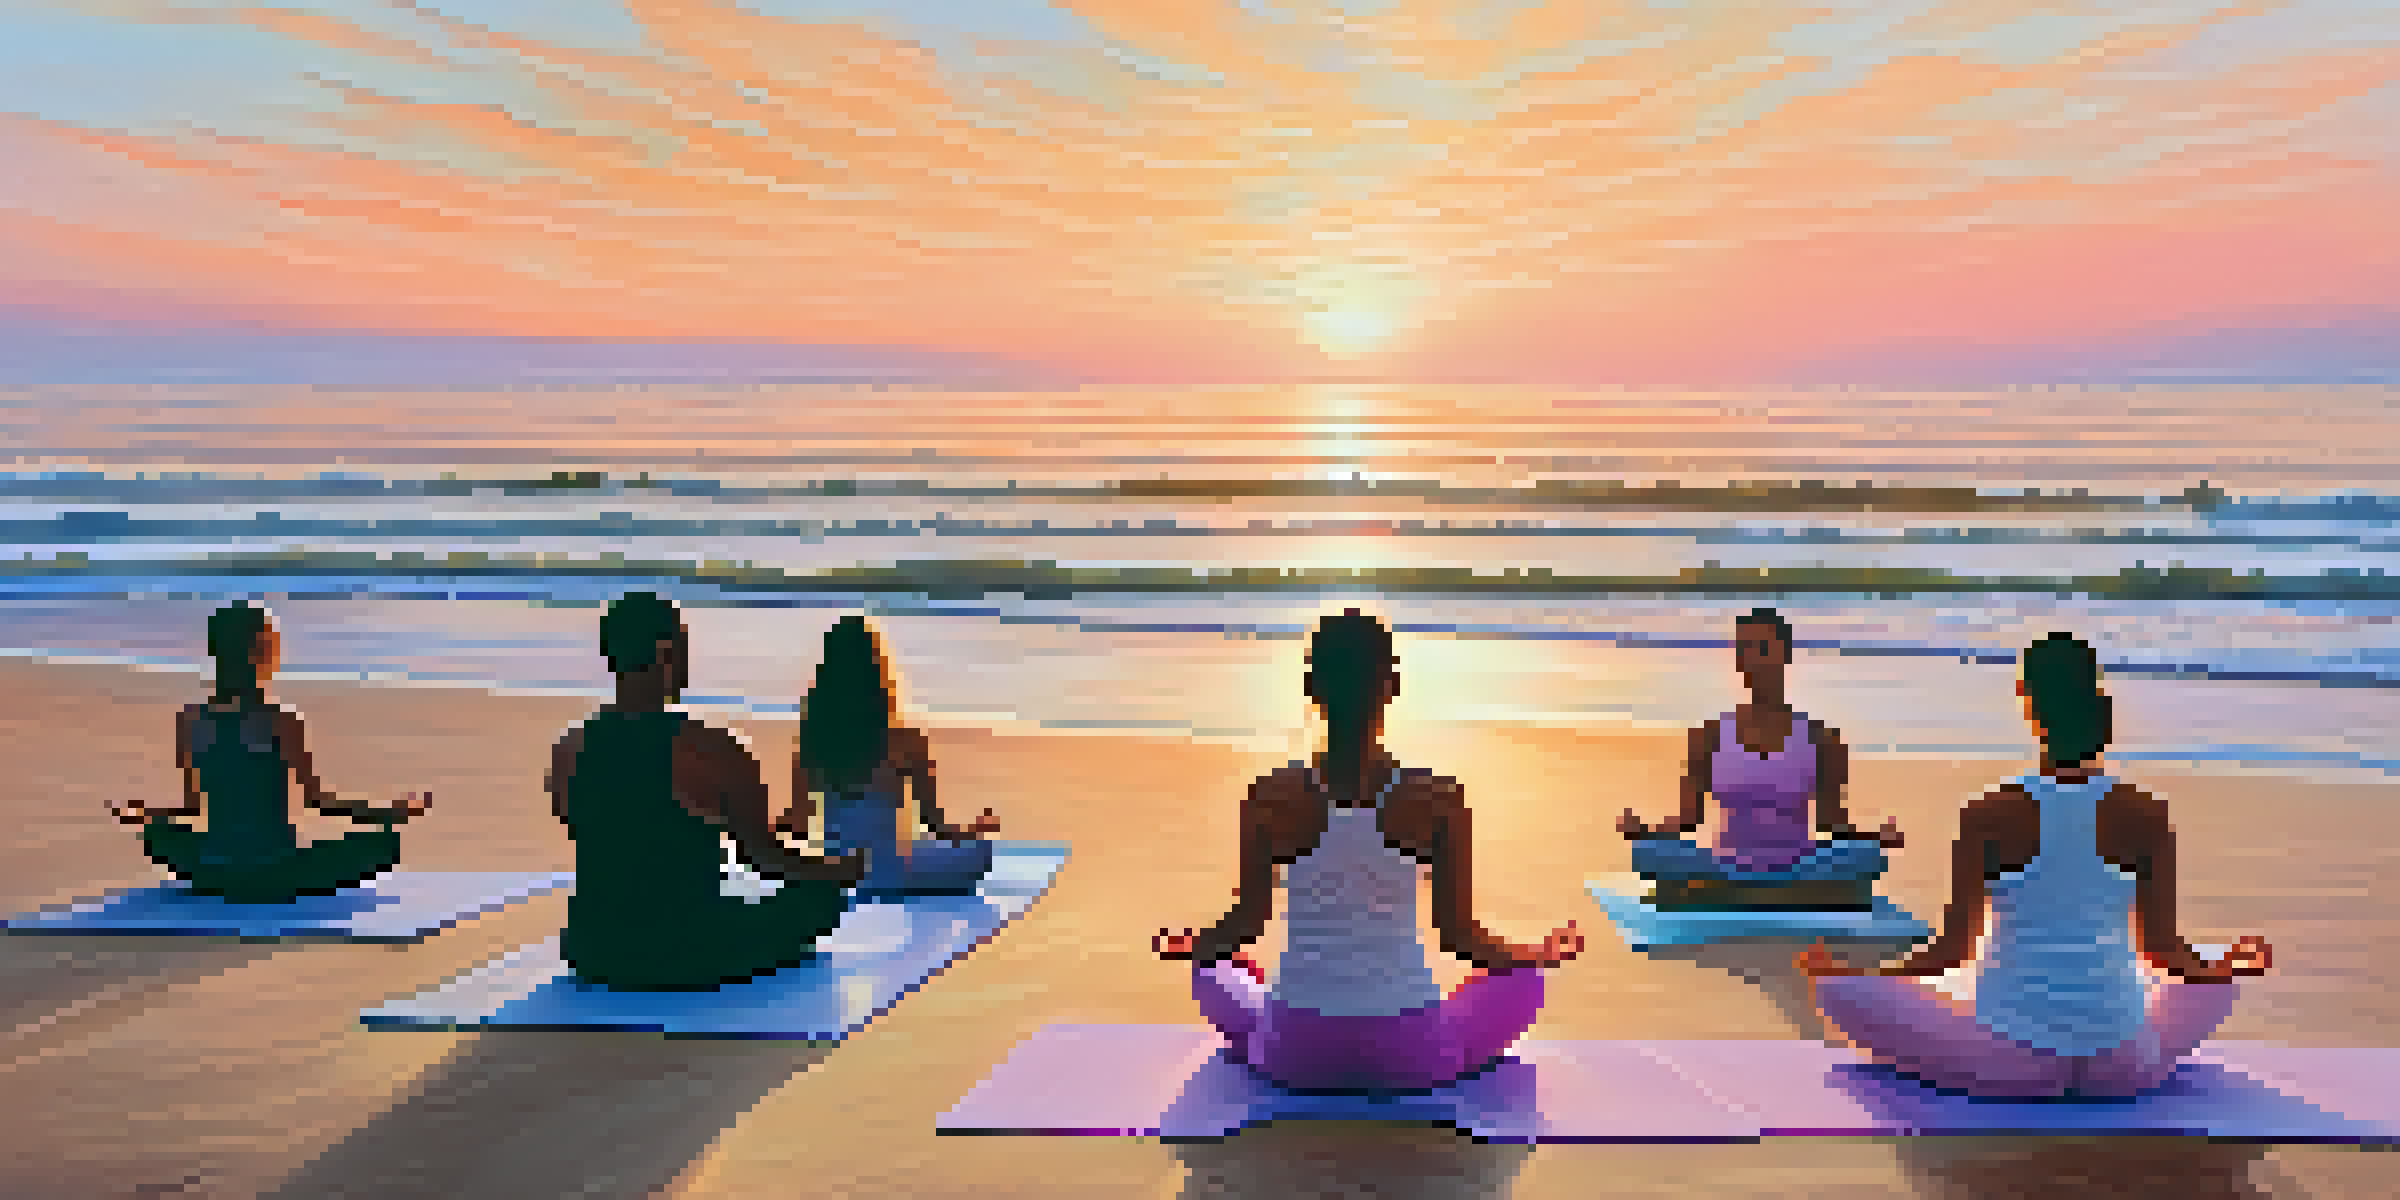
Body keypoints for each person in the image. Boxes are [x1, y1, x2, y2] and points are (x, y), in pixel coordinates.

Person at [1795, 632, 2273, 1098]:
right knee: (2216, 973)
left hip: (2009, 1064)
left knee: (1835, 992)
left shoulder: (1988, 813)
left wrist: (1853, 974)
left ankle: (1850, 986)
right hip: (2125, 1067)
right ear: (2099, 705)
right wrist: (2224, 966)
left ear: (2029, 707)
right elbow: (2165, 952)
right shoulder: (2145, 812)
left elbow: (1953, 952)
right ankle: (2181, 1001)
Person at [1155, 609, 1584, 1094]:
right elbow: (1461, 939)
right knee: (1526, 981)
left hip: (1296, 1054)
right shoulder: (1438, 797)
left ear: (1310, 688)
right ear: (1392, 686)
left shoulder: (1269, 796)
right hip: (1410, 1054)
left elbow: (1245, 926)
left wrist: (1195, 948)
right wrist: (1535, 954)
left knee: (1214, 966)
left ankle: (1266, 1024)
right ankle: (1433, 1035)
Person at [548, 592, 865, 990]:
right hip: (685, 949)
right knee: (820, 899)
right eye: (682, 646)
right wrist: (839, 869)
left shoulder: (569, 750)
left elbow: (598, 837)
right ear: (665, 653)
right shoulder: (709, 746)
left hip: (592, 948)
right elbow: (763, 857)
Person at [110, 602, 426, 903]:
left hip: (214, 869)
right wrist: (388, 814)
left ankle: (219, 872)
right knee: (384, 842)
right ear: (264, 654)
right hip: (275, 872)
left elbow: (192, 808)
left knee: (158, 837)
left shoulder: (192, 719)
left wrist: (148, 817)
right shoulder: (281, 719)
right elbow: (319, 803)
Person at [1617, 608, 1903, 910]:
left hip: (1799, 868)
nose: (1754, 661)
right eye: (1746, 651)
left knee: (1864, 858)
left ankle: (1721, 897)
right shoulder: (1709, 735)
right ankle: (1789, 899)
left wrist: (1876, 838)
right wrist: (1644, 831)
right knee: (1652, 853)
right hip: (1723, 867)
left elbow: (1832, 823)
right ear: (1739, 661)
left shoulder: (1822, 738)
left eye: (1764, 650)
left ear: (1785, 655)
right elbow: (1688, 820)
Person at [780, 616, 1001, 899]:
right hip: (894, 872)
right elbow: (936, 825)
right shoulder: (905, 741)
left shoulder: (813, 741)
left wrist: (761, 827)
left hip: (839, 873)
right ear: (879, 673)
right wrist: (975, 831)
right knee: (980, 851)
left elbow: (798, 823)